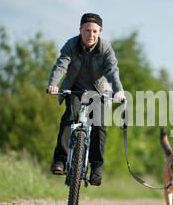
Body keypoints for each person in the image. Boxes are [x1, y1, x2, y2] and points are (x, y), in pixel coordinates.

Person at [47, 13, 125, 186]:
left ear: (100, 32)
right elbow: (61, 65)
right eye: (87, 30)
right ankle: (60, 160)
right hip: (74, 89)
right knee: (70, 116)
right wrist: (53, 84)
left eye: (95, 31)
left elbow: (113, 71)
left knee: (98, 125)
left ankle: (96, 168)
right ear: (80, 30)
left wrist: (118, 92)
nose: (91, 35)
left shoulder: (106, 48)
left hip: (99, 91)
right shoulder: (71, 45)